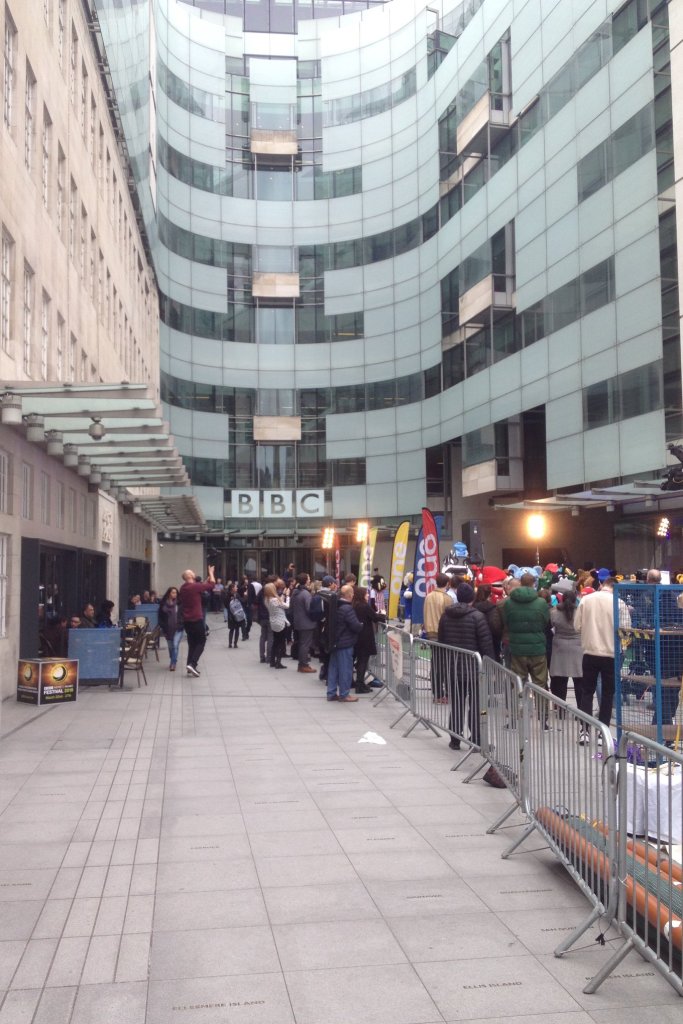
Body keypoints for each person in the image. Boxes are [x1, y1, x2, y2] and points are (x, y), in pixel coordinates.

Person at [438, 582, 495, 751]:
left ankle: (455, 739)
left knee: (457, 703)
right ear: (472, 598)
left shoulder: (446, 616)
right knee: (477, 705)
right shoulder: (477, 617)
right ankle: (476, 738)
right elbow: (486, 643)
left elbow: (442, 641)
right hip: (474, 668)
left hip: (453, 666)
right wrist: (491, 665)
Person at [574, 575, 631, 739]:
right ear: (616, 588)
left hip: (590, 652)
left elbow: (577, 626)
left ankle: (584, 731)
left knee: (587, 692)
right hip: (611, 654)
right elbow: (626, 630)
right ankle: (603, 733)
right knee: (607, 694)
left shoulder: (586, 600)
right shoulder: (619, 603)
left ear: (602, 585)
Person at [499, 572, 550, 691]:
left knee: (517, 683)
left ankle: (518, 703)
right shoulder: (541, 603)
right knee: (540, 683)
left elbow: (507, 622)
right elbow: (545, 622)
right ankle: (541, 703)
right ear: (534, 584)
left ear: (520, 583)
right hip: (537, 647)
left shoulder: (509, 603)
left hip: (517, 648)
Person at [549, 588, 583, 712]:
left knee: (559, 681)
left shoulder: (554, 612)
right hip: (577, 646)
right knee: (579, 681)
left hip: (559, 647)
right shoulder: (580, 612)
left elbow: (551, 625)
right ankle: (581, 710)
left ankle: (560, 710)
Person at [326, 584, 362, 702]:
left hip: (335, 642)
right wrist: (361, 625)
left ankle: (331, 693)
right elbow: (355, 625)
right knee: (345, 669)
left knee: (334, 668)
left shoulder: (335, 605)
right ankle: (344, 694)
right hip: (345, 643)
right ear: (350, 595)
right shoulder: (347, 608)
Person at [178, 565, 215, 676]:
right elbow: (212, 585)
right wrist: (211, 572)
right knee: (201, 641)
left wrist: (205, 581)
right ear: (189, 576)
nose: (194, 573)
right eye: (192, 572)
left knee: (192, 643)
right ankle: (193, 664)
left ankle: (189, 666)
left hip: (187, 621)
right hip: (196, 619)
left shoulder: (183, 588)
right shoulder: (194, 587)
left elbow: (199, 587)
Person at [424, 573, 453, 702]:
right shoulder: (447, 598)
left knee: (435, 663)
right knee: (444, 665)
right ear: (447, 583)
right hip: (442, 634)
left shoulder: (428, 596)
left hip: (430, 632)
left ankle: (437, 692)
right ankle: (442, 693)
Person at [352, 586, 383, 693]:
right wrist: (383, 616)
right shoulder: (364, 606)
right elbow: (375, 617)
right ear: (362, 595)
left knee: (359, 660)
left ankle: (358, 682)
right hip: (365, 637)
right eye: (366, 593)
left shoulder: (354, 605)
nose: (368, 595)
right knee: (363, 661)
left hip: (357, 636)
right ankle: (360, 684)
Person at [289, 573, 317, 673]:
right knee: (305, 644)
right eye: (308, 579)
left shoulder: (295, 592)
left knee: (302, 643)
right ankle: (304, 665)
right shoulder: (305, 593)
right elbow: (309, 608)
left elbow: (291, 607)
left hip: (298, 621)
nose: (309, 580)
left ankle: (301, 664)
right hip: (306, 623)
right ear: (305, 581)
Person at [158, 586, 184, 671]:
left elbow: (183, 614)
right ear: (169, 593)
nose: (175, 594)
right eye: (173, 592)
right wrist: (162, 626)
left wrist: (182, 623)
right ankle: (173, 658)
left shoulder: (179, 603)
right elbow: (160, 617)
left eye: (176, 592)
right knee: (171, 647)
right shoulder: (163, 604)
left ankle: (173, 664)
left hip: (178, 628)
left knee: (175, 645)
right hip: (168, 629)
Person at [264, 581, 288, 669]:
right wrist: (287, 597)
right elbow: (286, 606)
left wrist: (282, 596)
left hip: (273, 622)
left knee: (275, 642)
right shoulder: (274, 600)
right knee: (281, 643)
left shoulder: (267, 600)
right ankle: (278, 662)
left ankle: (272, 661)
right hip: (280, 622)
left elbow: (279, 603)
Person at [226, 582, 246, 648]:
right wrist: (245, 596)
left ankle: (230, 644)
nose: (237, 588)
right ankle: (235, 644)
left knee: (232, 629)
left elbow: (226, 604)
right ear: (232, 588)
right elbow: (242, 601)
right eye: (235, 587)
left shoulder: (228, 595)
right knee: (236, 629)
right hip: (237, 614)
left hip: (231, 614)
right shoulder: (236, 595)